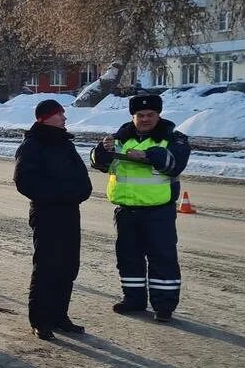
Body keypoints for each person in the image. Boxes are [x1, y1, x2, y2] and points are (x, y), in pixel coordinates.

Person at [89, 93, 191, 322]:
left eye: (150, 115)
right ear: (133, 116)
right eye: (140, 115)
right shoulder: (120, 138)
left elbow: (175, 164)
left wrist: (147, 155)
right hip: (126, 211)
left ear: (158, 114)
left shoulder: (173, 138)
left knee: (162, 259)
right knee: (128, 257)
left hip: (158, 211)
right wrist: (102, 150)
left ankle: (164, 307)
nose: (145, 119)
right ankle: (133, 299)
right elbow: (97, 163)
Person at [13, 99, 93, 340]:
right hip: (46, 213)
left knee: (68, 266)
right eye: (61, 114)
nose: (65, 118)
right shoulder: (32, 145)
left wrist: (78, 193)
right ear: (46, 117)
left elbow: (82, 179)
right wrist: (58, 195)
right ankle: (40, 320)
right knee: (47, 266)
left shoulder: (66, 144)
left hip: (69, 213)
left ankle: (60, 316)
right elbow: (25, 182)